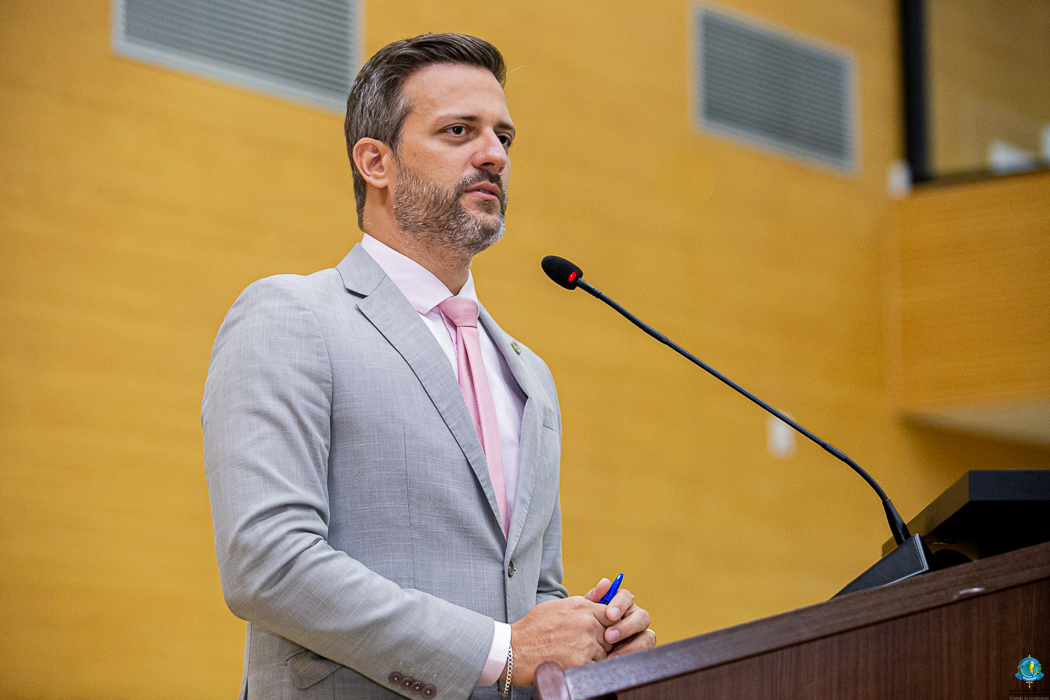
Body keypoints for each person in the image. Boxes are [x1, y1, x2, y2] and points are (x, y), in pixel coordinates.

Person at [203, 33, 655, 700]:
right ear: (376, 162)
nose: (494, 155)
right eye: (458, 131)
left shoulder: (529, 375)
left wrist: (588, 635)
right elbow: (268, 564)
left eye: (504, 136)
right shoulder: (293, 317)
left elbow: (529, 593)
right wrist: (504, 650)